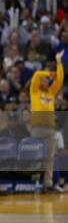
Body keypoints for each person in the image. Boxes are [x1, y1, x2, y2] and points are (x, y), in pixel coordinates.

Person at [30, 49, 64, 191]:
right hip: (37, 128)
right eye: (44, 79)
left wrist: (59, 63)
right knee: (37, 156)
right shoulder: (34, 91)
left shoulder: (51, 92)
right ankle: (36, 182)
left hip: (50, 129)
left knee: (49, 158)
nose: (46, 80)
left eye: (47, 79)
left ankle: (48, 183)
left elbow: (60, 79)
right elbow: (37, 74)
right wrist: (50, 73)